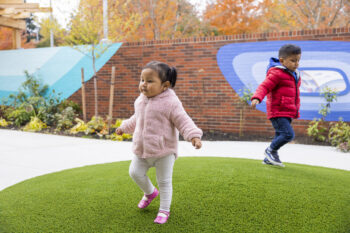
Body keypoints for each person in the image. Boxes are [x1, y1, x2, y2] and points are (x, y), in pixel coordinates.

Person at [116, 61, 202, 224]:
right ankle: (149, 193)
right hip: (142, 149)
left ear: (165, 85)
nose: (143, 84)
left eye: (149, 81)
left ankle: (164, 209)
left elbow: (183, 120)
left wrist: (194, 136)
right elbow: (137, 118)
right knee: (134, 173)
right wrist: (124, 127)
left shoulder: (171, 102)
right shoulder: (141, 100)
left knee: (164, 181)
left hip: (164, 151)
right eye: (142, 80)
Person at [251, 44, 302, 167]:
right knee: (288, 134)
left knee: (280, 134)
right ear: (282, 61)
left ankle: (269, 158)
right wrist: (257, 97)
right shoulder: (277, 73)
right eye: (293, 60)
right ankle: (270, 150)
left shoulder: (295, 74)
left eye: (298, 60)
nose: (296, 64)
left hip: (288, 111)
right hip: (278, 111)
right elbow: (264, 86)